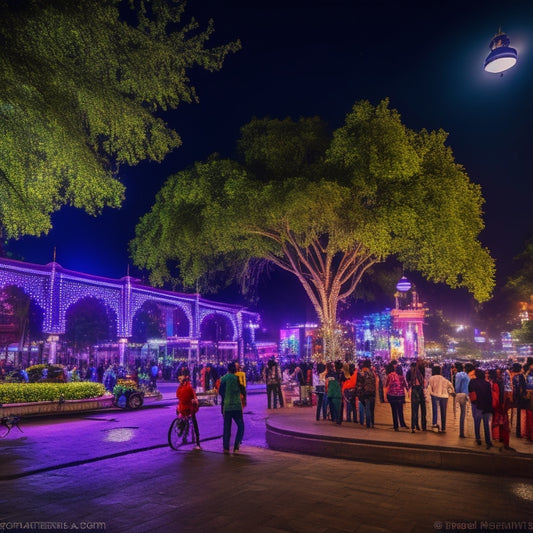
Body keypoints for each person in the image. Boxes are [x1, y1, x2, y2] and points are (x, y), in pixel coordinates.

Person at [219, 361, 246, 454]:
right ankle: (236, 446)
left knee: (227, 428)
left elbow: (221, 392)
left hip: (227, 407)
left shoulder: (223, 379)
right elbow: (243, 391)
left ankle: (226, 448)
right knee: (241, 426)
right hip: (237, 406)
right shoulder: (237, 378)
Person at [468, 368, 493, 449]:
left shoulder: (473, 382)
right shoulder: (487, 384)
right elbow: (490, 396)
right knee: (486, 424)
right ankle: (488, 441)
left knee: (477, 422)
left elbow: (470, 391)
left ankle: (478, 438)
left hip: (477, 405)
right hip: (486, 406)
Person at [176, 375, 201, 449]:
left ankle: (183, 435)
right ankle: (197, 442)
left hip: (182, 408)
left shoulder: (181, 388)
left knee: (183, 421)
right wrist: (195, 401)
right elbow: (193, 396)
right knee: (194, 423)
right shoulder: (189, 387)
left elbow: (178, 395)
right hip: (188, 409)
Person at [427, 365, 454, 433]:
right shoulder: (444, 379)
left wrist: (430, 394)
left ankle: (435, 425)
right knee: (443, 412)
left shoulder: (431, 378)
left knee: (435, 410)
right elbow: (451, 386)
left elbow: (429, 388)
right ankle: (443, 427)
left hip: (435, 395)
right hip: (444, 396)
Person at [385, 363, 408, 431]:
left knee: (394, 411)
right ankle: (402, 423)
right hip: (400, 395)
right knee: (400, 410)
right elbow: (405, 385)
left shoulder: (390, 375)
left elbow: (386, 384)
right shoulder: (402, 377)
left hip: (392, 395)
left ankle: (396, 426)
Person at [406, 359, 426, 432]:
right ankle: (422, 427)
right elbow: (424, 380)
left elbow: (407, 379)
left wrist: (410, 385)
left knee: (415, 409)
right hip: (419, 389)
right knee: (422, 409)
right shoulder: (422, 370)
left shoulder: (411, 371)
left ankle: (414, 426)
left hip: (415, 389)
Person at [356, 359, 377, 428]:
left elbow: (359, 383)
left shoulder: (362, 372)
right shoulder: (372, 372)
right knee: (371, 409)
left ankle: (368, 423)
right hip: (372, 392)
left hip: (365, 392)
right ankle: (372, 423)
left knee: (367, 408)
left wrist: (358, 393)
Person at [453, 362, 470, 438]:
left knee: (461, 414)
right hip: (466, 394)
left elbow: (457, 386)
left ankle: (461, 432)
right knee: (464, 414)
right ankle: (463, 432)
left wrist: (456, 393)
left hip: (461, 395)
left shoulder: (458, 375)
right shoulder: (466, 375)